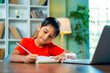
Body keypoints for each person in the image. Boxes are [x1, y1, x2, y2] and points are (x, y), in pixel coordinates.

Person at [10, 17, 76, 63]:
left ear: (54, 38)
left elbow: (73, 56)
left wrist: (65, 55)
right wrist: (25, 58)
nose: (46, 37)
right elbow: (12, 57)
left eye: (50, 36)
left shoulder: (51, 47)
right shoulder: (26, 41)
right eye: (45, 31)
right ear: (39, 27)